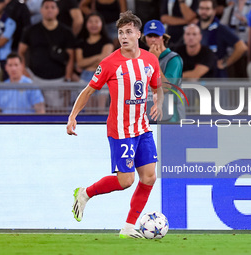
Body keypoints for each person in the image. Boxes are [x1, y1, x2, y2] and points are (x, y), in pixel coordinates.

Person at [67, 10, 164, 239]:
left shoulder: (150, 60)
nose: (124, 36)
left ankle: (129, 227)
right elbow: (89, 90)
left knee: (149, 177)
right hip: (121, 131)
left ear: (139, 34)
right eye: (121, 32)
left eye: (129, 32)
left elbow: (156, 85)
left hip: (142, 128)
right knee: (126, 181)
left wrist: (157, 103)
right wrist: (73, 116)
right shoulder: (110, 63)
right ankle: (85, 193)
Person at [18, 0, 75, 111]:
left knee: (56, 113)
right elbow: (21, 52)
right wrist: (25, 73)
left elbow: (70, 57)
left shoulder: (66, 32)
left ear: (57, 10)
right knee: (36, 111)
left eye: (52, 7)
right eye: (46, 7)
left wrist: (67, 79)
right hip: (35, 77)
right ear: (41, 10)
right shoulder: (30, 30)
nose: (49, 10)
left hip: (57, 79)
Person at [142, 19, 184, 122]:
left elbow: (166, 88)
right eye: (149, 36)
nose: (153, 40)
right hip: (150, 115)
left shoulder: (174, 59)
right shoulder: (142, 59)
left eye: (156, 36)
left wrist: (155, 61)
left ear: (163, 38)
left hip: (171, 117)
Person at [75, 12, 114, 112]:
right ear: (86, 24)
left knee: (100, 111)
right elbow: (80, 63)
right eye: (90, 22)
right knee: (88, 111)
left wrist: (88, 62)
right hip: (85, 77)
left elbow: (104, 61)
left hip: (102, 76)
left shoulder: (107, 41)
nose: (93, 24)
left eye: (96, 21)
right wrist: (98, 57)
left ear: (102, 24)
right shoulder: (81, 42)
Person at [197, 0, 247, 78]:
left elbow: (241, 47)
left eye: (207, 9)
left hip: (216, 77)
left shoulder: (221, 29)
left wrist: (226, 63)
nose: (204, 12)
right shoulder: (194, 29)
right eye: (201, 8)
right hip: (199, 76)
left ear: (214, 11)